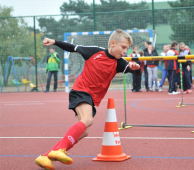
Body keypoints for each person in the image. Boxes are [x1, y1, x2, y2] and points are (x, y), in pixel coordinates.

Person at [35, 29, 140, 170]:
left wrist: (135, 67)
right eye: (123, 47)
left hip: (91, 98)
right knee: (88, 120)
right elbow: (72, 48)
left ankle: (46, 157)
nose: (125, 51)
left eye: (126, 48)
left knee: (84, 131)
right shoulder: (94, 52)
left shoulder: (119, 63)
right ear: (113, 43)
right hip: (80, 91)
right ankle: (59, 151)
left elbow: (132, 69)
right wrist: (54, 42)